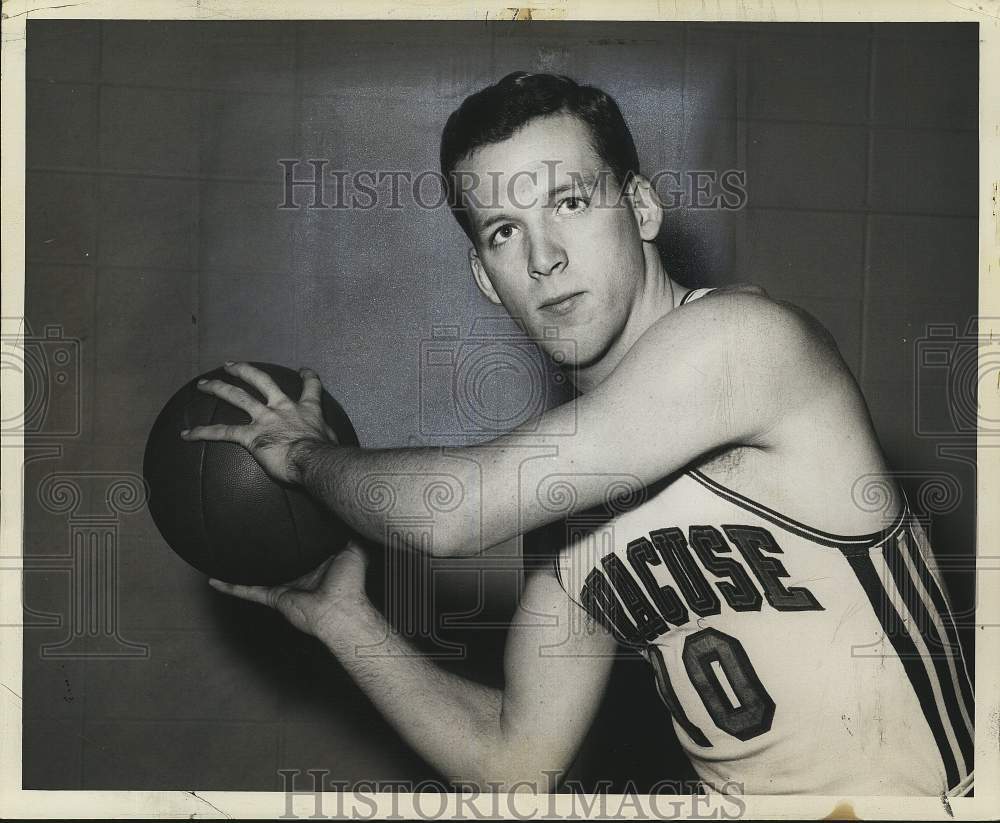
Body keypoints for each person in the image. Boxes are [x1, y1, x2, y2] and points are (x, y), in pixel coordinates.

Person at [181, 72, 974, 796]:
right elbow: (513, 762)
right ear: (486, 278)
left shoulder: (745, 343)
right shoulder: (569, 504)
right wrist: (347, 621)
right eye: (504, 231)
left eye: (569, 203)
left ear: (642, 209)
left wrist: (303, 454)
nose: (544, 258)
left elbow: (452, 514)